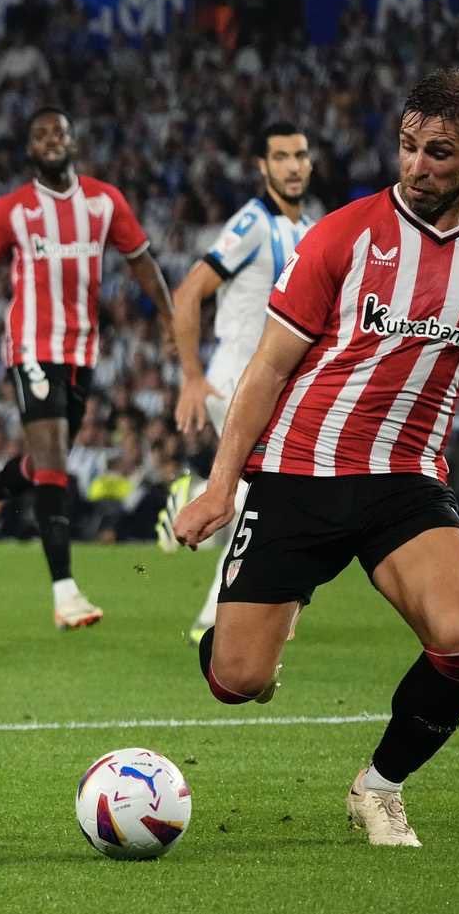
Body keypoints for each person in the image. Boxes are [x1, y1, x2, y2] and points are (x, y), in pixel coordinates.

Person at [174, 69, 459, 848]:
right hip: (298, 470)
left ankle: (380, 787)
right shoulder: (341, 234)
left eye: (439, 152)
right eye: (407, 147)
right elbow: (267, 366)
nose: (417, 167)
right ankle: (269, 619)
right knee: (236, 680)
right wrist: (219, 487)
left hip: (405, 483)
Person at [0, 107, 174, 629]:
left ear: (73, 141)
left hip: (81, 350)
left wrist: (166, 315)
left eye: (59, 132)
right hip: (30, 346)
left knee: (42, 463)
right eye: (40, 134)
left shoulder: (104, 201)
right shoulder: (12, 211)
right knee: (52, 461)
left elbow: (140, 259)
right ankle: (65, 592)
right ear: (30, 149)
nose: (51, 140)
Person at [160, 122, 315, 644]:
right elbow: (187, 294)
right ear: (262, 167)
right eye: (281, 157)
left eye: (300, 155)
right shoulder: (252, 223)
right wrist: (192, 377)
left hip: (274, 390)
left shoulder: (311, 231)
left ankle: (194, 496)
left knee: (262, 498)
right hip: (234, 381)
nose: (293, 166)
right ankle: (217, 615)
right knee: (262, 496)